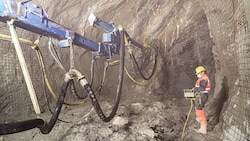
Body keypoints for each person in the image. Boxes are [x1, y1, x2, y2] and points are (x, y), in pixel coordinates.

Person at [191, 66, 211, 134]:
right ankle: (200, 121)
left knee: (200, 111)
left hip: (202, 96)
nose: (198, 75)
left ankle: (203, 129)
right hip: (201, 95)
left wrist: (195, 89)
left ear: (203, 72)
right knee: (198, 108)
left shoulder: (203, 79)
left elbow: (202, 88)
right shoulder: (203, 78)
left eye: (199, 73)